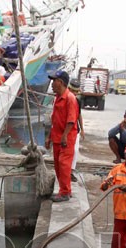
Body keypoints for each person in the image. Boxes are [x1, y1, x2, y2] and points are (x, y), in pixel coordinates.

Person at [44, 69, 78, 202]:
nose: (52, 84)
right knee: (58, 165)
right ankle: (63, 190)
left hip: (66, 138)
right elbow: (54, 121)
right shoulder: (57, 98)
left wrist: (64, 136)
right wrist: (49, 137)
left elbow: (71, 120)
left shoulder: (70, 98)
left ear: (61, 82)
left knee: (64, 165)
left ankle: (65, 192)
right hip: (57, 137)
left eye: (54, 81)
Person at [67, 78, 85, 181]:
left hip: (75, 130)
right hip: (65, 130)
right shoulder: (64, 99)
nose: (74, 93)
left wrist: (82, 129)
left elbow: (79, 115)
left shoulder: (77, 101)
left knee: (75, 150)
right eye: (73, 91)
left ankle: (71, 171)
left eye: (76, 92)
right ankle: (65, 171)